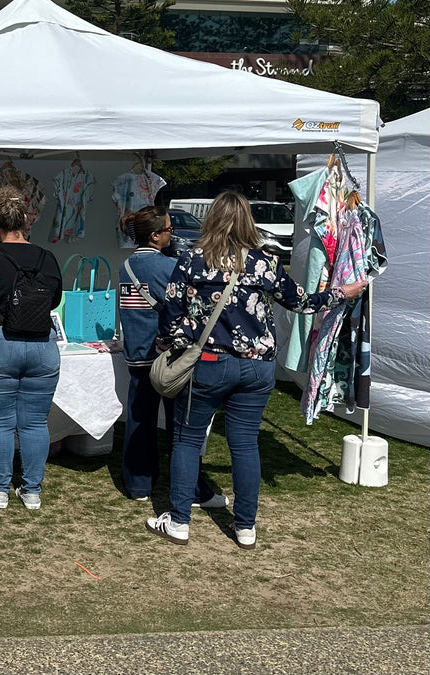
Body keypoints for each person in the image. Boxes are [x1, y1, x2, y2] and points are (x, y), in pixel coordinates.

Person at [148, 192, 366, 550]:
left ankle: (180, 522)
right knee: (245, 444)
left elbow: (171, 314)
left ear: (212, 219)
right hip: (257, 368)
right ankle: (246, 526)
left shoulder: (192, 261)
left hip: (208, 365)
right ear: (248, 221)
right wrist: (345, 291)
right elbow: (303, 302)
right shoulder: (264, 262)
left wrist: (173, 345)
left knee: (187, 440)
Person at [119, 206, 228, 507]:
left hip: (136, 354)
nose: (173, 233)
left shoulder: (125, 266)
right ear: (155, 235)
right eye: (168, 229)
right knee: (181, 425)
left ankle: (138, 484)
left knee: (139, 418)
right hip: (168, 357)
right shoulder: (169, 267)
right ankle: (192, 489)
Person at [0, 186, 63, 511]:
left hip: (1, 343)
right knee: (35, 422)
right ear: (25, 221)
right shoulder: (48, 258)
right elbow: (54, 300)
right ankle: (31, 491)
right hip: (43, 345)